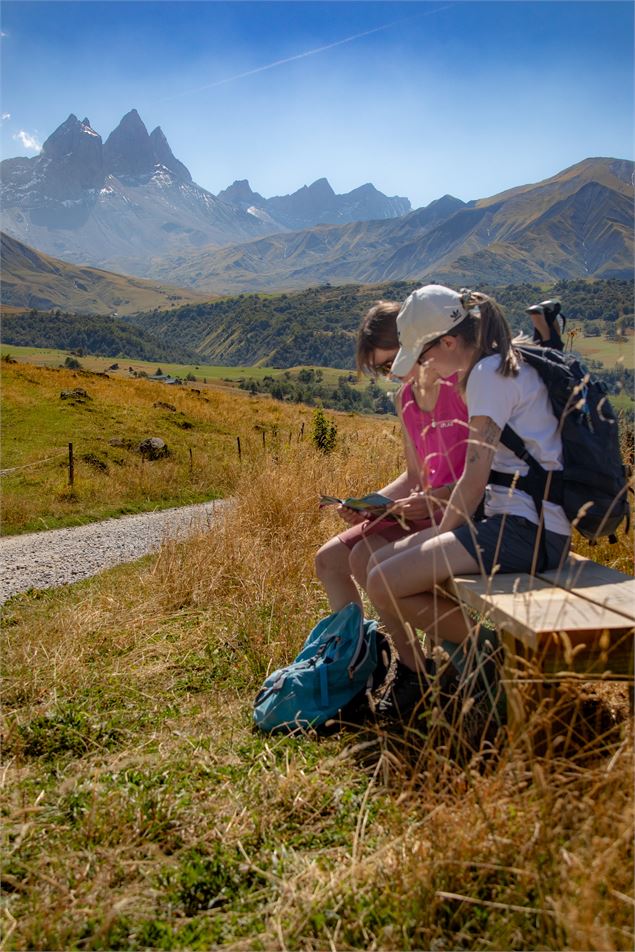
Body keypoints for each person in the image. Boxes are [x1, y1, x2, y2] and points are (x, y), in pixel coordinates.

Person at [362, 285, 571, 718]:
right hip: (519, 525)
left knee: (383, 580)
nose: (424, 368)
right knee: (377, 571)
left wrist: (439, 534)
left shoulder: (487, 378)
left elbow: (474, 479)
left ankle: (490, 661)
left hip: (528, 531)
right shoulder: (495, 364)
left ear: (449, 342)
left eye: (423, 357)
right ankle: (478, 661)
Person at [315, 300, 468, 613]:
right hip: (419, 511)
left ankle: (428, 655)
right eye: (382, 371)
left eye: (389, 364)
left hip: (457, 515)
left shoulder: (462, 384)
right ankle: (359, 651)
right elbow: (415, 478)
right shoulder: (405, 398)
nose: (392, 375)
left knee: (365, 559)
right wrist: (370, 507)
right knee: (328, 560)